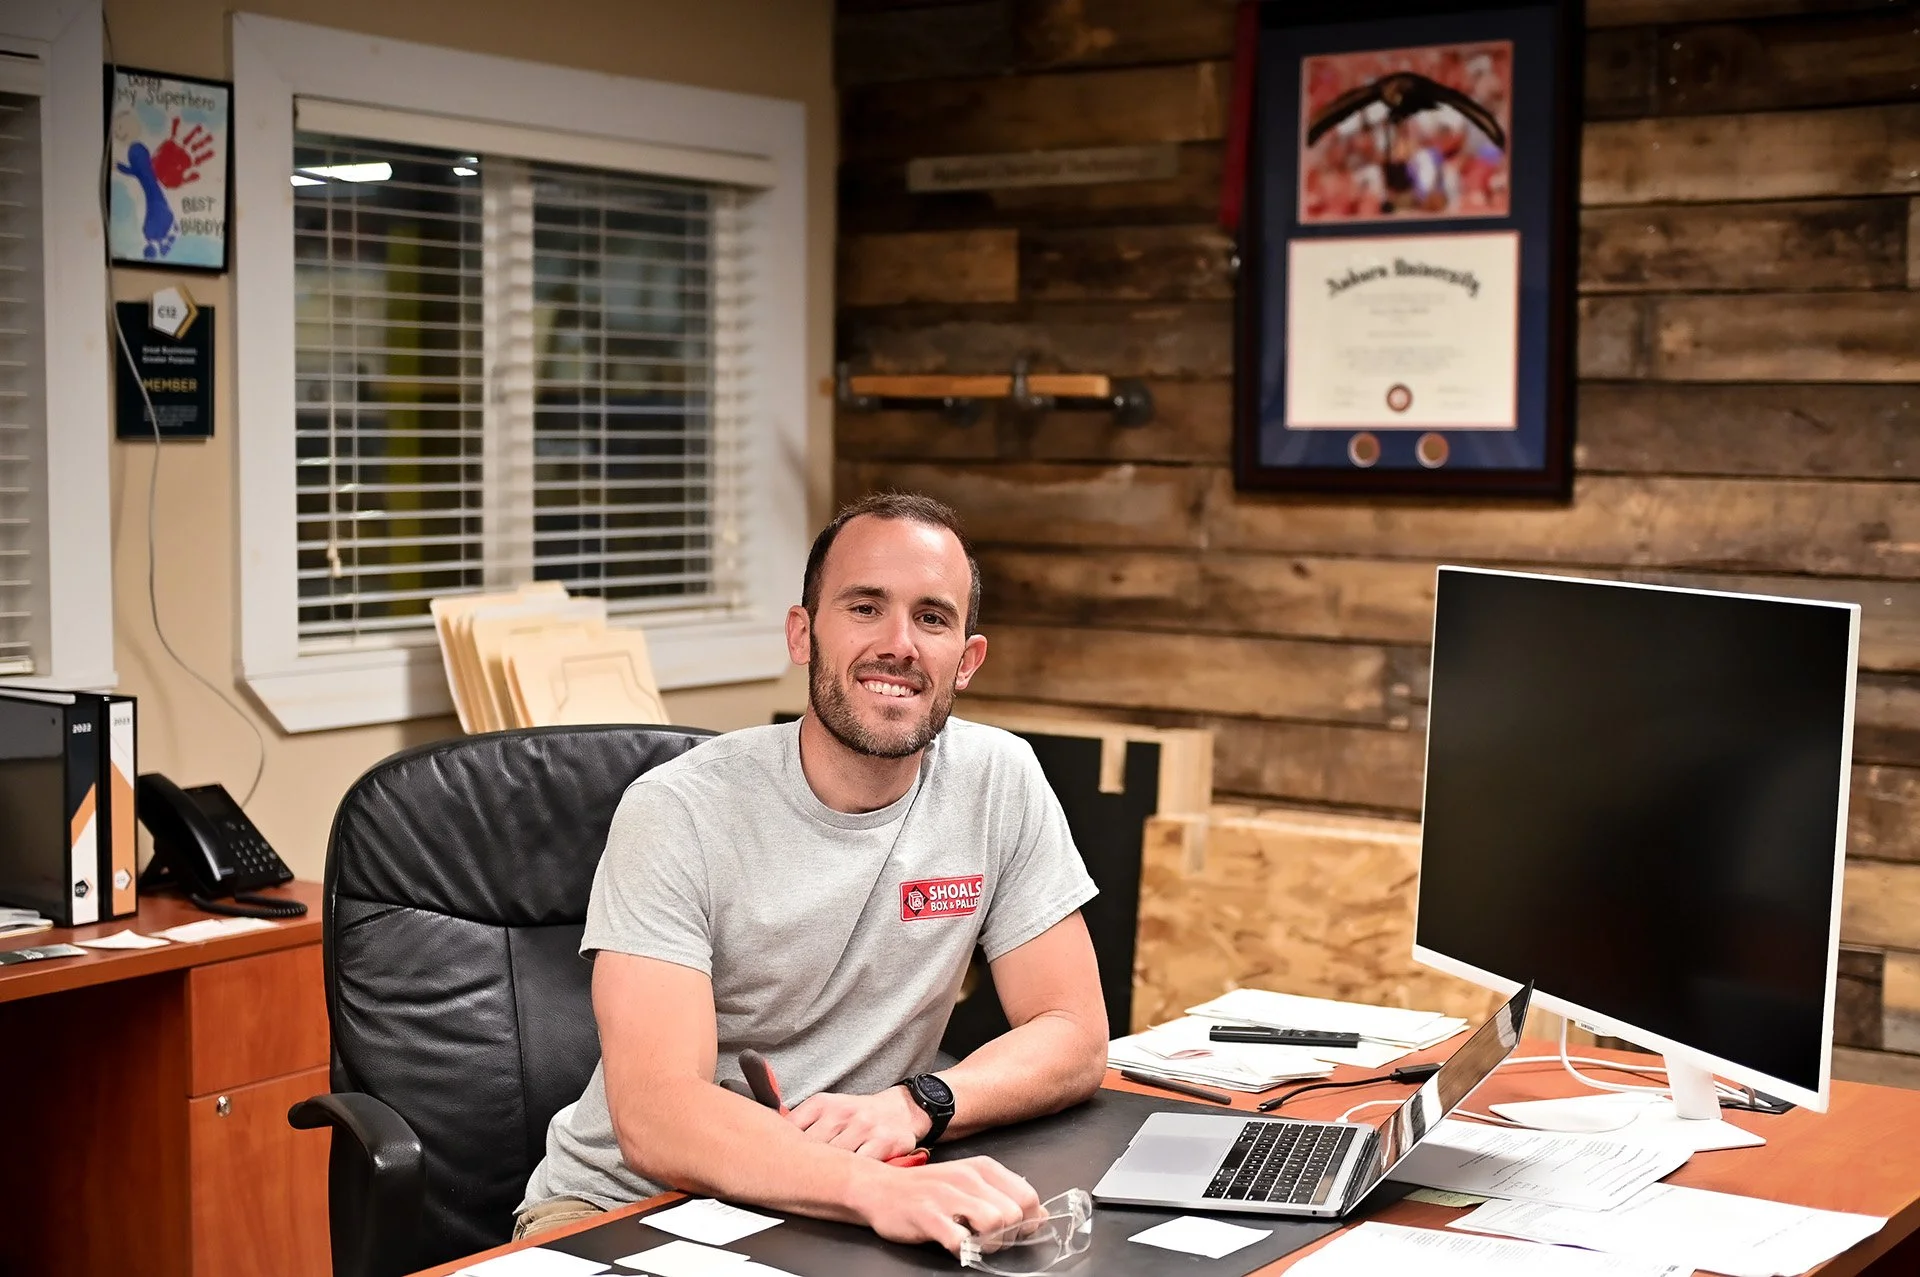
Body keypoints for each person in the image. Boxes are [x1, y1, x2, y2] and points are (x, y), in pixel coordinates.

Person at [514, 492, 1109, 1255]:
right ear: (803, 634)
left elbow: (1073, 1031)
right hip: (625, 1207)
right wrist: (877, 1189)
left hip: (841, 1196)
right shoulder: (677, 810)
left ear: (966, 659)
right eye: (865, 607)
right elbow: (656, 1114)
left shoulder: (999, 779)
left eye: (932, 617)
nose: (899, 643)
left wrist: (920, 1102)